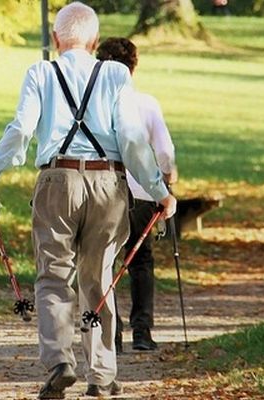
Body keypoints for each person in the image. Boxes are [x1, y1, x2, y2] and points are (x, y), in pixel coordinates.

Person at [0, 2, 176, 398]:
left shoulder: (41, 72)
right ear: (95, 41)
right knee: (99, 279)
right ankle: (101, 374)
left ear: (56, 38)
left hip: (56, 180)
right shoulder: (115, 75)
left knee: (53, 275)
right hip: (108, 184)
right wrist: (160, 191)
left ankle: (60, 361)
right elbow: (132, 141)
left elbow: (21, 130)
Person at [96, 37, 177, 353]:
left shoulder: (96, 105)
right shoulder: (146, 103)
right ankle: (142, 332)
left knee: (105, 260)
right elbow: (165, 151)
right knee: (141, 260)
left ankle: (110, 334)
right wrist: (167, 179)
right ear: (134, 66)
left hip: (105, 189)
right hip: (143, 192)